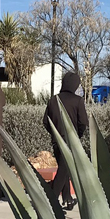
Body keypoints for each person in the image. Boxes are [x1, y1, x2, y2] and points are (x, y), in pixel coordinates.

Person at [43, 70, 88, 211]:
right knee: (64, 170)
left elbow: (45, 121)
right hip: (71, 142)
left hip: (57, 141)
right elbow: (83, 123)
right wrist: (77, 137)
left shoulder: (53, 100)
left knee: (64, 169)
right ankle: (52, 201)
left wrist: (55, 134)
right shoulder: (78, 101)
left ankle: (68, 199)